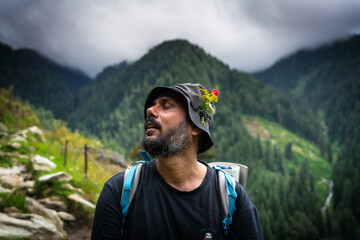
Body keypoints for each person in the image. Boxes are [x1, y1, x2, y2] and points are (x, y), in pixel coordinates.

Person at [91, 83, 263, 240]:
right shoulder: (119, 191)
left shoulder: (232, 197)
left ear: (196, 126)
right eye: (151, 106)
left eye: (166, 106)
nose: (149, 111)